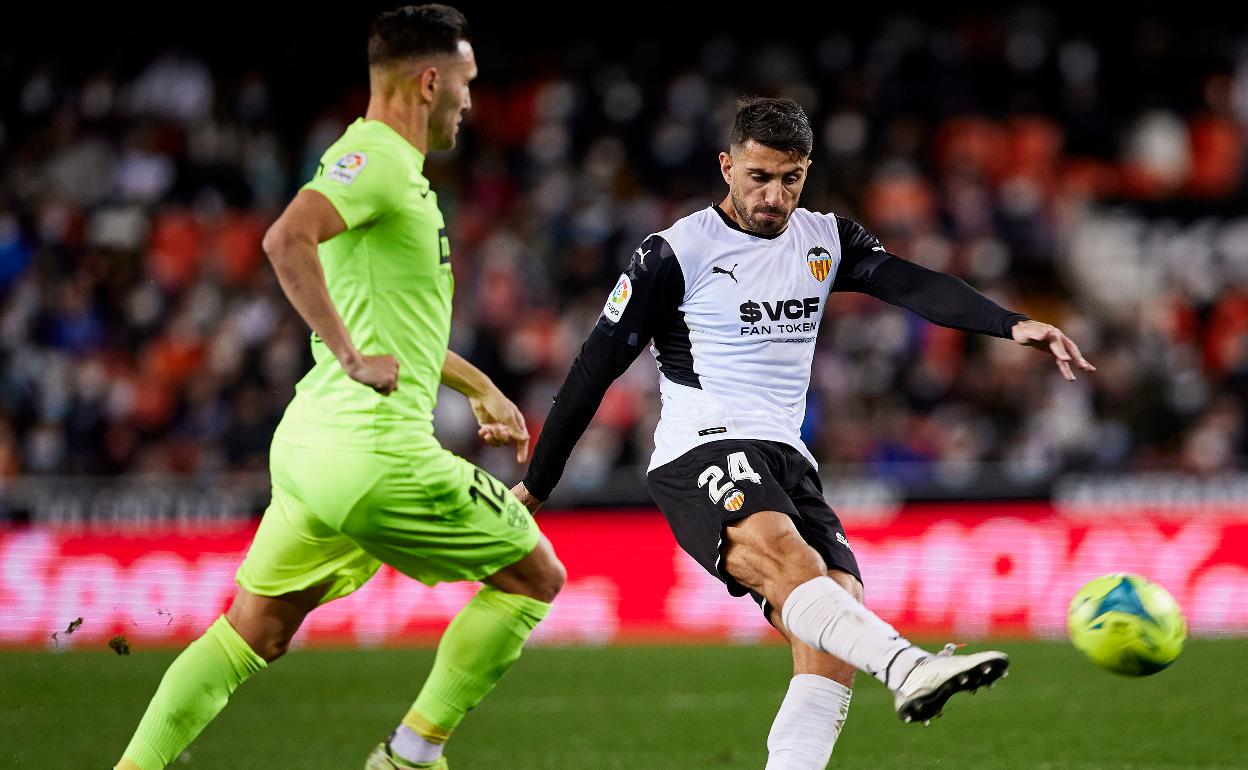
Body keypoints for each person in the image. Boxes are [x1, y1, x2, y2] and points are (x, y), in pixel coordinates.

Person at [512, 96, 1095, 770]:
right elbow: (594, 366)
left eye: (790, 178)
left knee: (834, 622)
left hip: (785, 453)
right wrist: (539, 482)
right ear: (727, 166)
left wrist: (1009, 323)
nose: (773, 196)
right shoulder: (675, 252)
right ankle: (907, 668)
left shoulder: (825, 238)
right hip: (700, 445)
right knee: (791, 561)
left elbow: (910, 283)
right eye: (759, 177)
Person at [113, 7, 565, 770]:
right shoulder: (378, 159)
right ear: (429, 81)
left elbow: (396, 325)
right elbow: (283, 237)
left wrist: (475, 382)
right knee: (534, 578)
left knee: (249, 634)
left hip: (312, 448)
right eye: (465, 84)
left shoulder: (390, 174)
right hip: (374, 450)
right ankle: (409, 756)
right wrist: (354, 358)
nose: (470, 102)